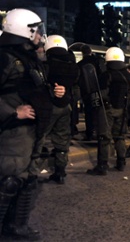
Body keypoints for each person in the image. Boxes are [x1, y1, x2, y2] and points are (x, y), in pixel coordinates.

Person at [0, 8, 65, 240]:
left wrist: (53, 92)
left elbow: (30, 89)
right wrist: (12, 112)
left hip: (31, 132)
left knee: (27, 179)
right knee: (9, 181)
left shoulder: (28, 58)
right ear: (24, 30)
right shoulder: (5, 57)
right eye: (37, 30)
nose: (40, 35)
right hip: (13, 132)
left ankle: (17, 225)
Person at [35, 35, 80, 184]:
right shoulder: (73, 66)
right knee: (62, 140)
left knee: (39, 138)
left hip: (49, 107)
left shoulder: (45, 65)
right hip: (65, 106)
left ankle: (31, 174)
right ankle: (60, 172)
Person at [87, 47, 130, 175]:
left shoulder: (107, 75)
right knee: (119, 136)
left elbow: (102, 94)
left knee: (104, 137)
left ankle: (102, 165)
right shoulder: (128, 76)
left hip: (108, 109)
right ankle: (121, 162)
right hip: (122, 110)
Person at [77, 44, 106, 141]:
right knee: (99, 112)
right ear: (91, 52)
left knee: (88, 112)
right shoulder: (97, 61)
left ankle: (89, 133)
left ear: (82, 53)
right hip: (98, 92)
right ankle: (99, 132)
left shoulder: (80, 64)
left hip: (86, 93)